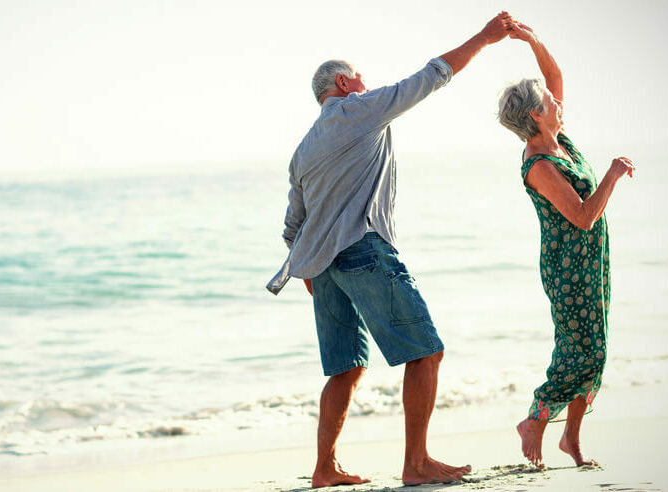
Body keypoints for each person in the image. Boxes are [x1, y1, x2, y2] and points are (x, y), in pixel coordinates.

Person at [266, 12, 514, 488]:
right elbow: (430, 77)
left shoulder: (302, 149)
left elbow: (292, 225)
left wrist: (312, 273)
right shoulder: (359, 108)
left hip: (323, 268)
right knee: (426, 353)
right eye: (359, 76)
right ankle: (416, 462)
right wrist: (485, 37)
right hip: (363, 250)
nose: (366, 82)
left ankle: (324, 468)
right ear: (343, 82)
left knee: (346, 368)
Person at [497, 21, 635, 469]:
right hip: (568, 267)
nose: (559, 101)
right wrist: (612, 176)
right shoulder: (538, 162)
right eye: (549, 102)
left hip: (593, 260)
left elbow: (554, 80)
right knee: (584, 350)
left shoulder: (560, 141)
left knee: (595, 348)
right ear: (536, 115)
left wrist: (533, 41)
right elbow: (581, 216)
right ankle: (536, 419)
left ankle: (571, 440)